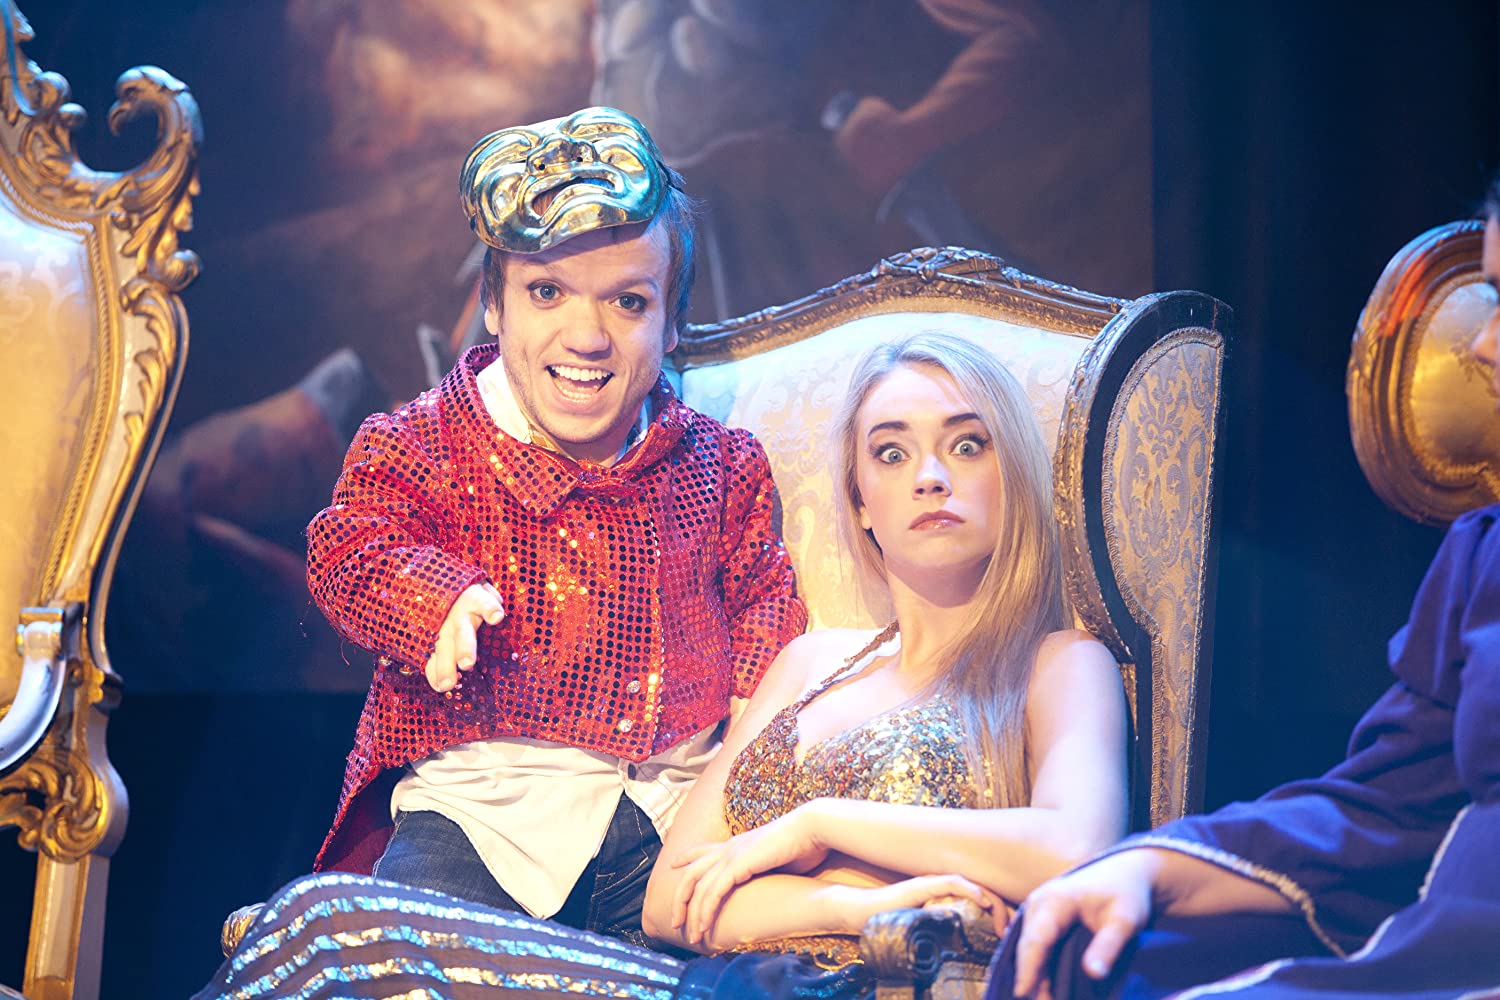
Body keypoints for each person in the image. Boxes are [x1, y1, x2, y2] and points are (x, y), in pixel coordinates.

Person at [195, 331, 1129, 999]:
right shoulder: (812, 663)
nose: (930, 475)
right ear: (860, 503)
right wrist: (846, 904)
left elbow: (1075, 849)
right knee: (329, 931)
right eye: (892, 453)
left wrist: (813, 826)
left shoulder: (1057, 662)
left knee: (333, 926)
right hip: (707, 980)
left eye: (966, 444)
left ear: (1010, 473)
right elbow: (672, 902)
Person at [302, 106, 807, 946]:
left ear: (671, 326)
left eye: (628, 302)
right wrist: (433, 597)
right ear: (493, 306)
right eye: (547, 292)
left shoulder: (720, 466)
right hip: (487, 822)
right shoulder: (423, 444)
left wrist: (753, 711)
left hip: (673, 821)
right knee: (395, 963)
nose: (586, 335)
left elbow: (762, 593)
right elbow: (352, 544)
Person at [992, 182, 1500, 999]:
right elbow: (1390, 806)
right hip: (1433, 942)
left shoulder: (1063, 662)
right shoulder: (1487, 553)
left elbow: (1063, 835)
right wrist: (1148, 864)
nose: (1480, 345)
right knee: (1082, 952)